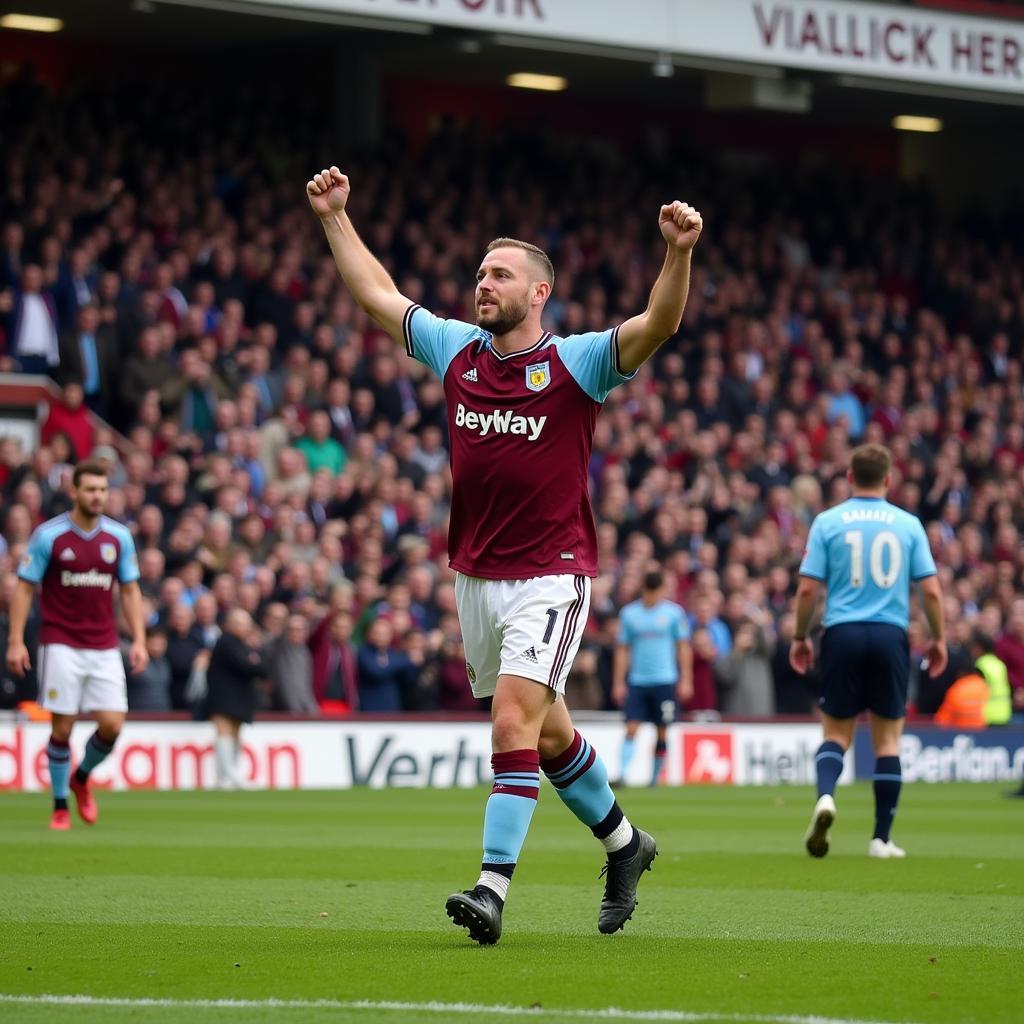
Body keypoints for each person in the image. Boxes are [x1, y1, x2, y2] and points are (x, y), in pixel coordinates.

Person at [307, 164, 702, 943]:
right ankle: (627, 844)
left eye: (500, 275)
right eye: (480, 273)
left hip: (552, 574)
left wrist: (678, 254)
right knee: (547, 732)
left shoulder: (578, 362)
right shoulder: (458, 350)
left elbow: (657, 324)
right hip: (475, 578)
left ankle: (491, 889)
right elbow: (377, 298)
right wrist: (334, 219)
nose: (482, 284)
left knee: (513, 724)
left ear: (539, 293)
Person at [790, 443, 947, 860]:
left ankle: (826, 797)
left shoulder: (828, 521)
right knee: (888, 741)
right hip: (890, 633)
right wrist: (939, 637)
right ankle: (880, 839)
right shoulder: (908, 524)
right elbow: (930, 590)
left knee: (836, 734)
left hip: (840, 632)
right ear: (889, 479)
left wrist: (800, 636)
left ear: (848, 477)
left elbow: (808, 588)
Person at [5, 461, 147, 829]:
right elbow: (24, 588)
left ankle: (81, 778)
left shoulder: (119, 537)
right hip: (61, 641)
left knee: (113, 725)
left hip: (104, 644)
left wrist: (140, 640)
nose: (98, 496)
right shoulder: (49, 535)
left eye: (102, 489)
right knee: (63, 729)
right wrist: (16, 640)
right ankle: (59, 806)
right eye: (90, 489)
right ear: (74, 492)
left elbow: (130, 591)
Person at [612, 570, 693, 786]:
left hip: (665, 680)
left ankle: (654, 779)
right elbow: (622, 649)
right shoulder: (629, 614)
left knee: (663, 729)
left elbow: (683, 646)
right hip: (638, 680)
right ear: (644, 590)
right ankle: (622, 774)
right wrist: (619, 682)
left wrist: (686, 679)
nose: (653, 597)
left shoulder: (674, 613)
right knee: (631, 727)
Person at [205, 608, 267, 789]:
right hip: (224, 696)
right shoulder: (226, 642)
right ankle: (230, 776)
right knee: (224, 732)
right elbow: (246, 665)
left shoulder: (241, 644)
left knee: (235, 734)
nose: (245, 627)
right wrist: (258, 665)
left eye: (246, 623)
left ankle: (228, 776)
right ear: (229, 624)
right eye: (240, 623)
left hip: (238, 697)